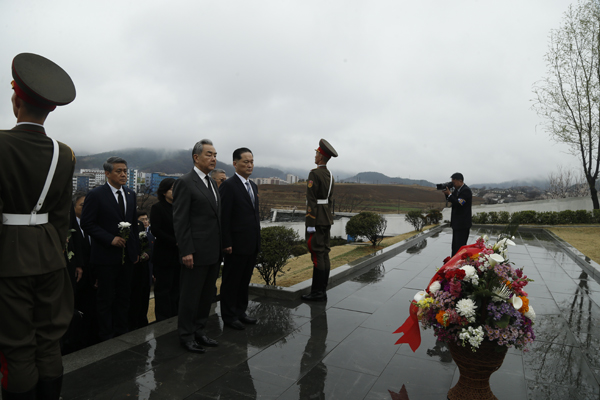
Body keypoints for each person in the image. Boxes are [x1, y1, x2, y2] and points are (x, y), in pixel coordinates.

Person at [0, 53, 76, 400]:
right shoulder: (64, 153)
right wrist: (52, 248)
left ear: (16, 101)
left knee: (16, 346)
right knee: (48, 341)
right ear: (50, 109)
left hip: (9, 257)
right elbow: (61, 214)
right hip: (50, 255)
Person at [80, 157, 140, 341]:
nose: (123, 174)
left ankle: (122, 331)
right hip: (105, 256)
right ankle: (105, 336)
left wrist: (135, 250)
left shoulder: (130, 194)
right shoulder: (96, 194)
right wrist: (110, 239)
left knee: (124, 296)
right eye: (118, 171)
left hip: (126, 257)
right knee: (105, 298)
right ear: (107, 173)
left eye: (125, 171)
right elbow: (87, 223)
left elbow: (134, 225)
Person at [172, 139, 221, 353]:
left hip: (213, 251)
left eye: (215, 155)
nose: (213, 158)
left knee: (206, 296)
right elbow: (180, 220)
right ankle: (186, 335)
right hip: (195, 251)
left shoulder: (212, 183)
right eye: (209, 154)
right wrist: (186, 250)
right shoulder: (185, 182)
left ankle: (200, 330)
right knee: (190, 297)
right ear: (196, 157)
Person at [219, 148, 261, 330]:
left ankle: (240, 311)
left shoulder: (253, 186)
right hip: (235, 245)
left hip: (251, 243)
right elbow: (224, 217)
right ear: (235, 164)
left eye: (251, 161)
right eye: (246, 162)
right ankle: (229, 316)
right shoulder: (228, 186)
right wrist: (226, 242)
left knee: (244, 281)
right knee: (231, 281)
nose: (250, 165)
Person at [301, 139, 338, 302]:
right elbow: (328, 200)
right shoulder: (330, 175)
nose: (315, 156)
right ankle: (322, 290)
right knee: (324, 254)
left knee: (317, 254)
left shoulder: (314, 174)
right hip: (326, 217)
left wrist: (310, 223)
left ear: (321, 157)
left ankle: (317, 292)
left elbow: (311, 200)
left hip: (316, 219)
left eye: (317, 153)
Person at [151, 178, 180, 321]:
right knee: (163, 289)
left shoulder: (180, 207)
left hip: (179, 254)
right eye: (172, 189)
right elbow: (156, 230)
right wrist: (175, 241)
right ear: (164, 192)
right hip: (164, 253)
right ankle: (163, 321)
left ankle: (176, 316)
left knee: (177, 288)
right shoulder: (158, 208)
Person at [128, 212, 153, 330]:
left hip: (142, 268)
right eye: (142, 219)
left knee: (143, 298)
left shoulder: (139, 225)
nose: (145, 221)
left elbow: (145, 244)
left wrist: (146, 253)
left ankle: (142, 321)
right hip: (131, 269)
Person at [442, 172, 472, 256]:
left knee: (460, 246)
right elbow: (452, 200)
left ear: (460, 181)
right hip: (456, 223)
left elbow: (459, 203)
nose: (453, 184)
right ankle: (453, 261)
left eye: (454, 182)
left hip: (463, 224)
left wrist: (449, 194)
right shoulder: (457, 190)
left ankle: (459, 262)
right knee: (455, 246)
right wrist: (447, 194)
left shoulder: (466, 190)